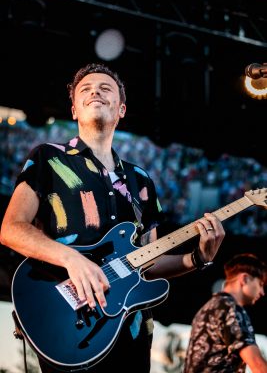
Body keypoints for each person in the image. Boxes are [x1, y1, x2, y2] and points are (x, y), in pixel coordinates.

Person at [0, 62, 225, 373]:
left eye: (105, 88)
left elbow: (148, 260)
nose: (95, 91)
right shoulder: (47, 158)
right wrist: (72, 259)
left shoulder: (140, 180)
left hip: (130, 330)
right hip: (70, 323)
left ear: (121, 109)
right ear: (75, 109)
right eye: (86, 90)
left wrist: (198, 257)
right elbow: (11, 228)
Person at [184, 253, 267, 373]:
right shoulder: (232, 309)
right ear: (244, 279)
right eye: (260, 284)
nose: (262, 292)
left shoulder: (206, 308)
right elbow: (258, 365)